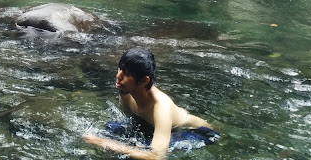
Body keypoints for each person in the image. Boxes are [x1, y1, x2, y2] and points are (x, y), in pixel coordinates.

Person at [83, 47, 215, 160]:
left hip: (196, 133)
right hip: (152, 125)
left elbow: (156, 156)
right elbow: (127, 114)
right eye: (120, 69)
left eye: (127, 74)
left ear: (144, 81)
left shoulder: (161, 108)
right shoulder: (127, 90)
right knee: (112, 129)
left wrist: (105, 143)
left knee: (135, 152)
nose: (119, 75)